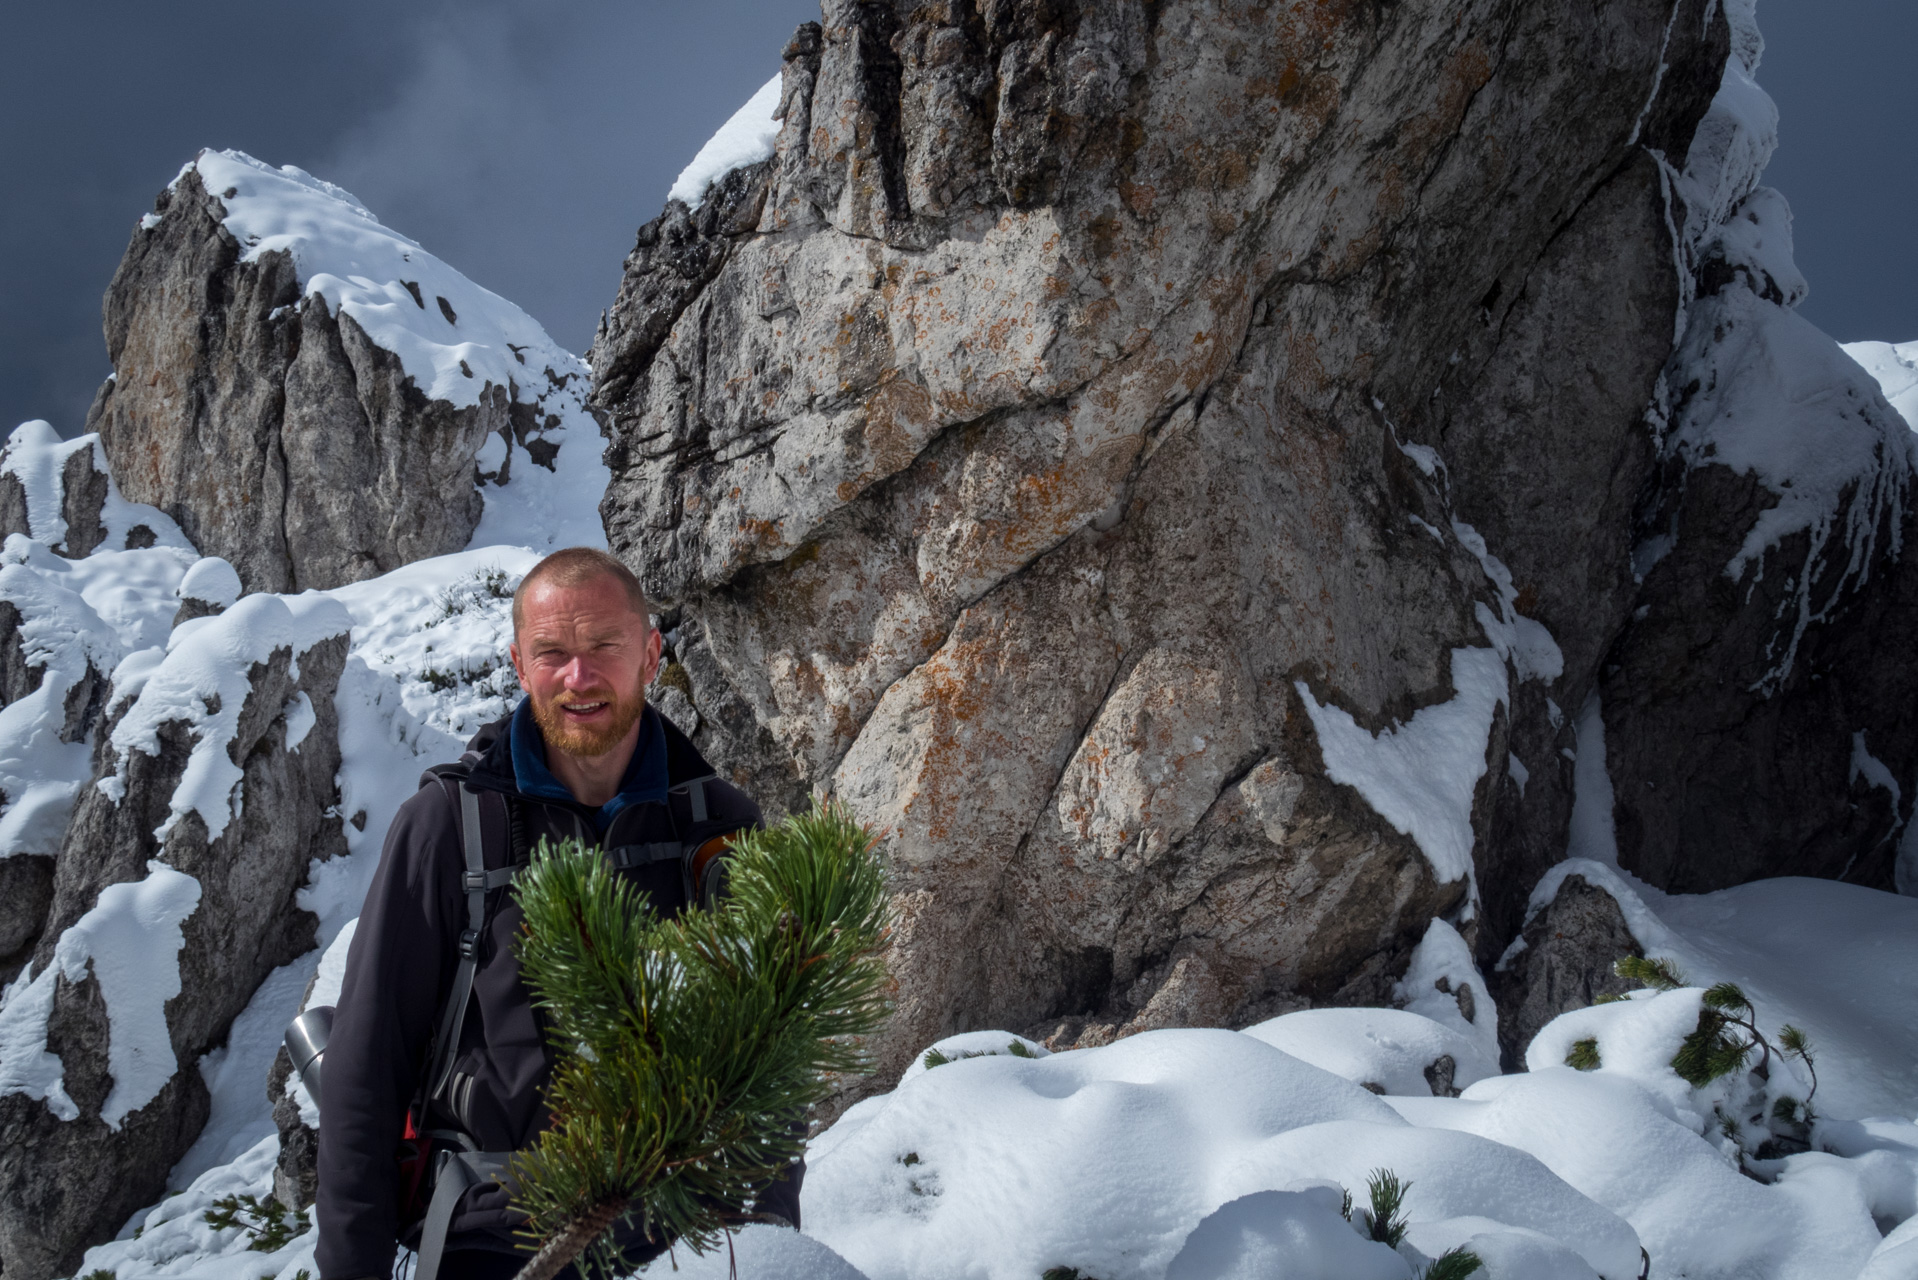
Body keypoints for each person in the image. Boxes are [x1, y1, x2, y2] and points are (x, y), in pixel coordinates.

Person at [314, 547, 796, 1280]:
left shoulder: (717, 827)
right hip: (494, 1240)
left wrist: (773, 1246)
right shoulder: (448, 828)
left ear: (651, 653)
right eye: (553, 653)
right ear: (518, 664)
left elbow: (771, 1068)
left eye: (604, 645)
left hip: (684, 1243)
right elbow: (365, 1074)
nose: (579, 677)